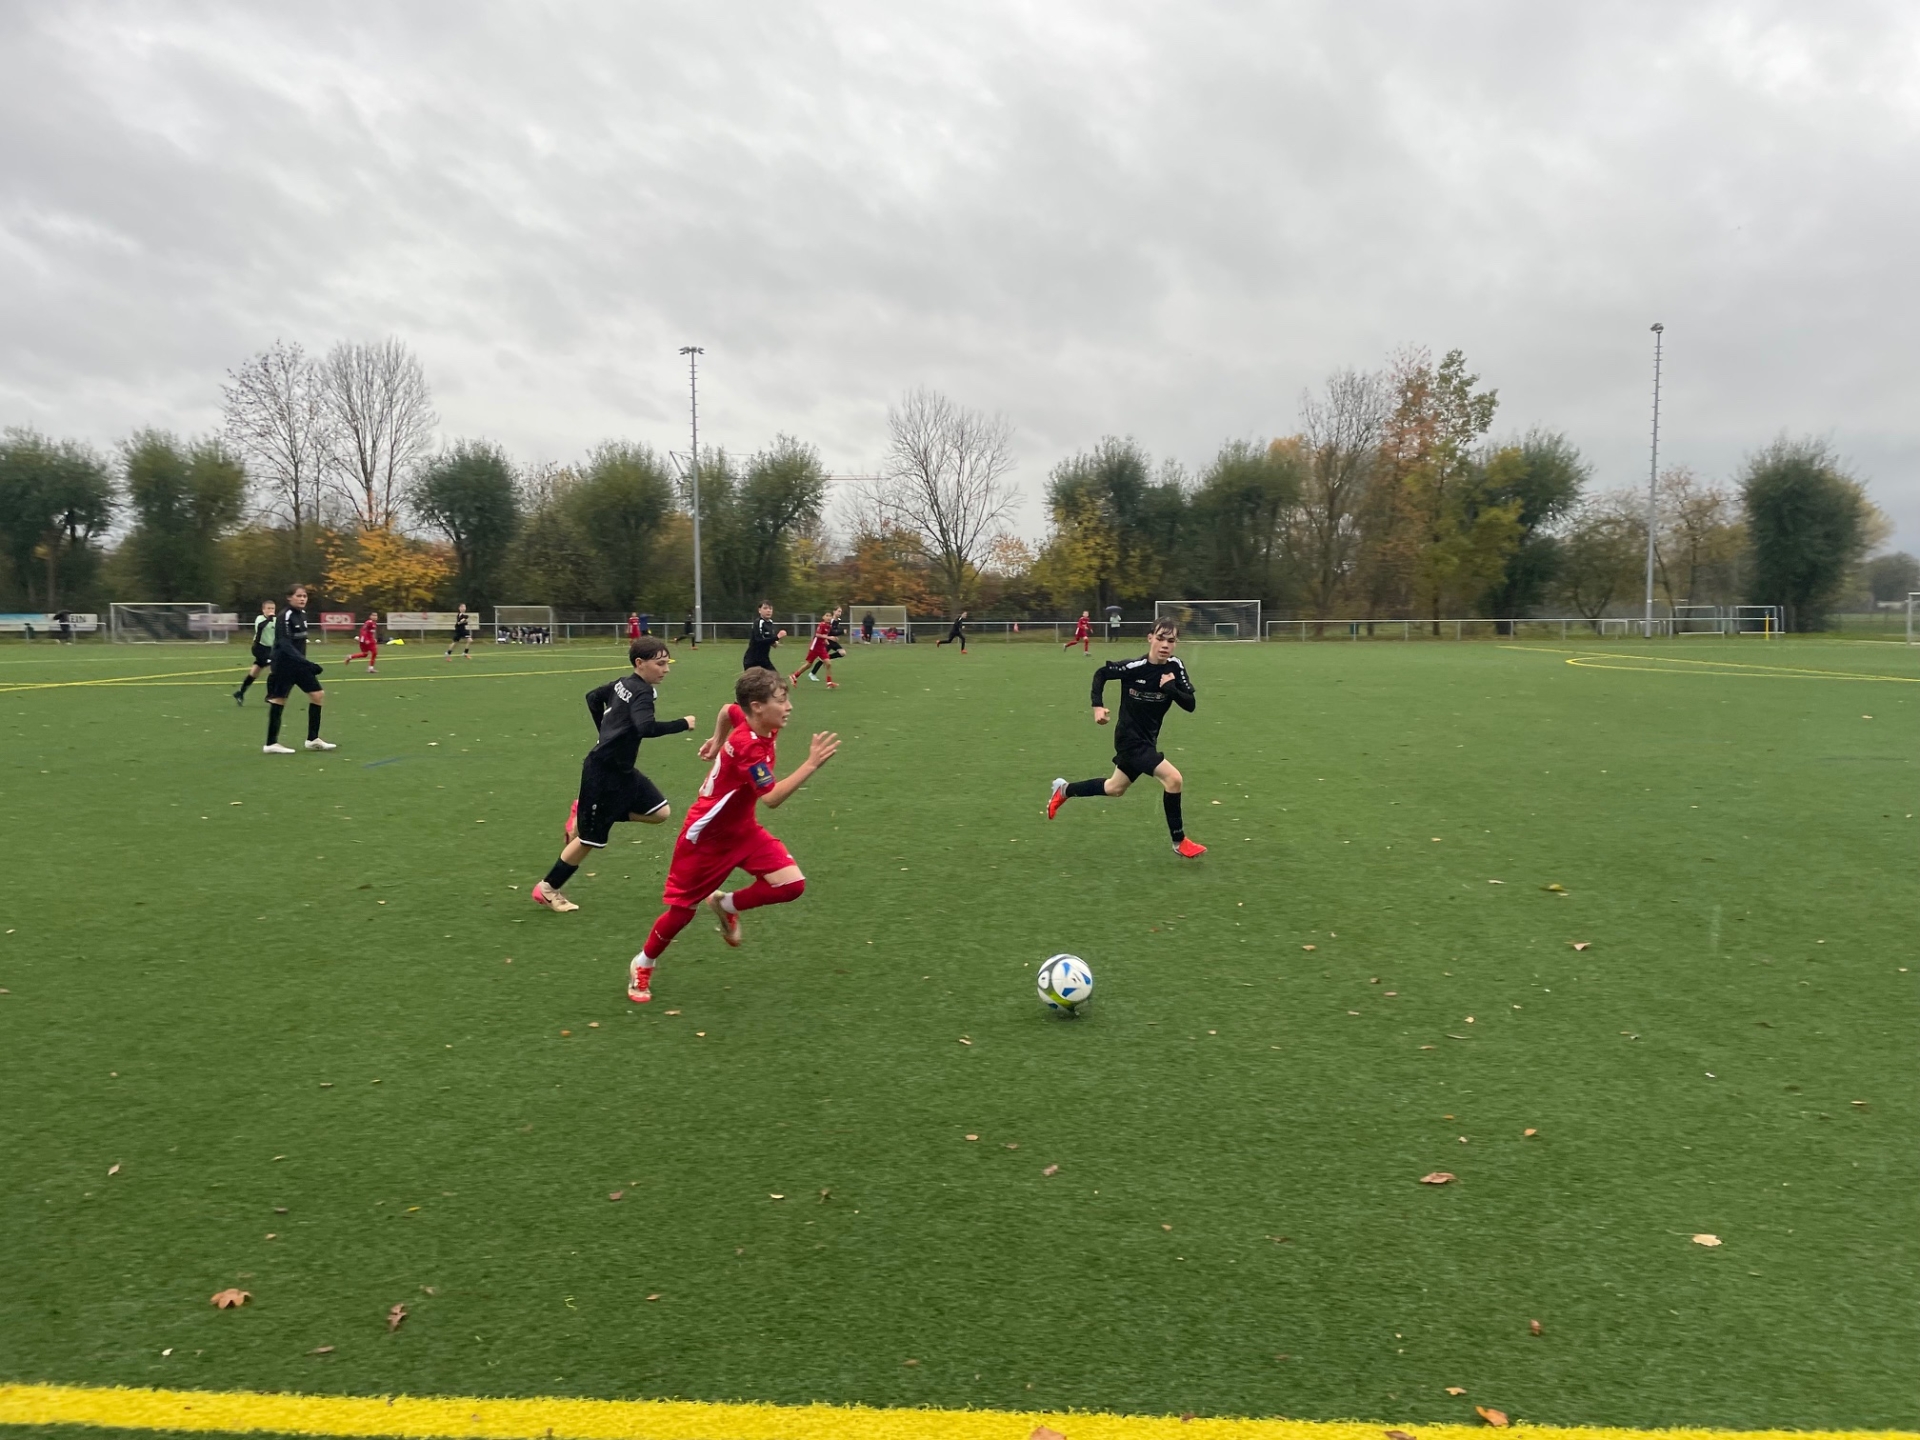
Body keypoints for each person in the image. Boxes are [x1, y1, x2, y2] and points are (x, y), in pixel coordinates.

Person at [626, 667, 839, 1003]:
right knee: (682, 913)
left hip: (742, 829)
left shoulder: (753, 720)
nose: (789, 707)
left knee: (791, 885)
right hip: (706, 838)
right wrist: (810, 764)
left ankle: (724, 904)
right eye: (781, 700)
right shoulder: (748, 747)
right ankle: (643, 962)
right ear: (758, 706)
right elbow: (771, 798)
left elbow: (728, 710)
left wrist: (715, 741)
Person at [531, 637, 696, 913]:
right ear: (640, 663)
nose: (666, 669)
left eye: (667, 663)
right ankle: (547, 889)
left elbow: (592, 698)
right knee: (588, 839)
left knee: (660, 812)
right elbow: (645, 727)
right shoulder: (642, 692)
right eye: (660, 664)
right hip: (603, 772)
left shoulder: (624, 683)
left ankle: (586, 811)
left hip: (622, 770)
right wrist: (683, 723)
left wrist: (605, 732)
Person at [1046, 621, 1204, 857]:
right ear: (1150, 638)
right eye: (1160, 638)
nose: (1165, 645)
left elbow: (1190, 704)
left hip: (1148, 740)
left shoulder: (1175, 667)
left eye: (1171, 641)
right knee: (1174, 779)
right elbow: (1101, 674)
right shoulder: (1135, 667)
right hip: (1129, 740)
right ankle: (1179, 841)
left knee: (1115, 788)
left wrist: (1171, 688)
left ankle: (1064, 790)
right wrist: (1097, 706)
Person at [262, 585, 335, 754]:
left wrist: (304, 663)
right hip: (283, 665)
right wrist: (306, 663)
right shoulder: (284, 616)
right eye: (299, 596)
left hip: (298, 664)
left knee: (317, 695)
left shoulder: (302, 614)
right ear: (289, 597)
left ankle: (312, 739)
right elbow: (284, 644)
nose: (302, 599)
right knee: (279, 700)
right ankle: (271, 743)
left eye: (305, 596)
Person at [233, 599, 276, 705]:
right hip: (259, 648)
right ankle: (270, 695)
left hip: (270, 649)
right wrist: (269, 619)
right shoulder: (260, 619)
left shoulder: (276, 620)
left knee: (255, 672)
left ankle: (240, 693)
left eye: (273, 608)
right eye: (268, 608)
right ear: (263, 610)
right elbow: (260, 628)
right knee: (273, 669)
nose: (271, 610)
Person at [789, 609, 840, 688]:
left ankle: (829, 682)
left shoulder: (829, 626)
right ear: (823, 617)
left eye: (830, 616)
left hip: (821, 647)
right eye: (827, 616)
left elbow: (824, 635)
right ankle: (794, 676)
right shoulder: (821, 625)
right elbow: (817, 635)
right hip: (815, 647)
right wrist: (829, 637)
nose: (828, 617)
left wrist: (827, 640)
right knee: (809, 664)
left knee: (828, 663)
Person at [742, 600, 786, 672]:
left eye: (770, 608)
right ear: (759, 610)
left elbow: (768, 638)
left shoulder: (770, 623)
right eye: (765, 608)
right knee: (755, 679)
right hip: (753, 660)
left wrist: (774, 643)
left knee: (775, 677)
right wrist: (777, 637)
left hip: (764, 660)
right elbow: (759, 640)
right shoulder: (758, 622)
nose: (768, 610)